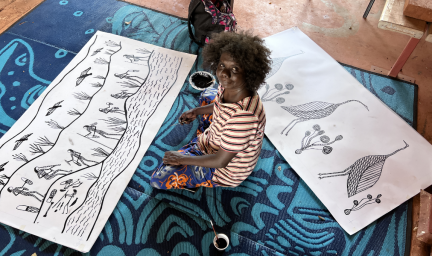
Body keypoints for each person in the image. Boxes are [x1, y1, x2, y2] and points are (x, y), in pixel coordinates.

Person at [150, 31, 271, 190]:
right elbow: (220, 106)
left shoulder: (244, 119)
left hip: (224, 169)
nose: (224, 74)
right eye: (222, 65)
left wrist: (182, 159)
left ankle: (199, 171)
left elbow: (220, 161)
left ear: (249, 72)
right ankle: (203, 140)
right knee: (209, 94)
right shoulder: (231, 88)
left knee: (158, 179)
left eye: (235, 69)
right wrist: (197, 111)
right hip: (222, 137)